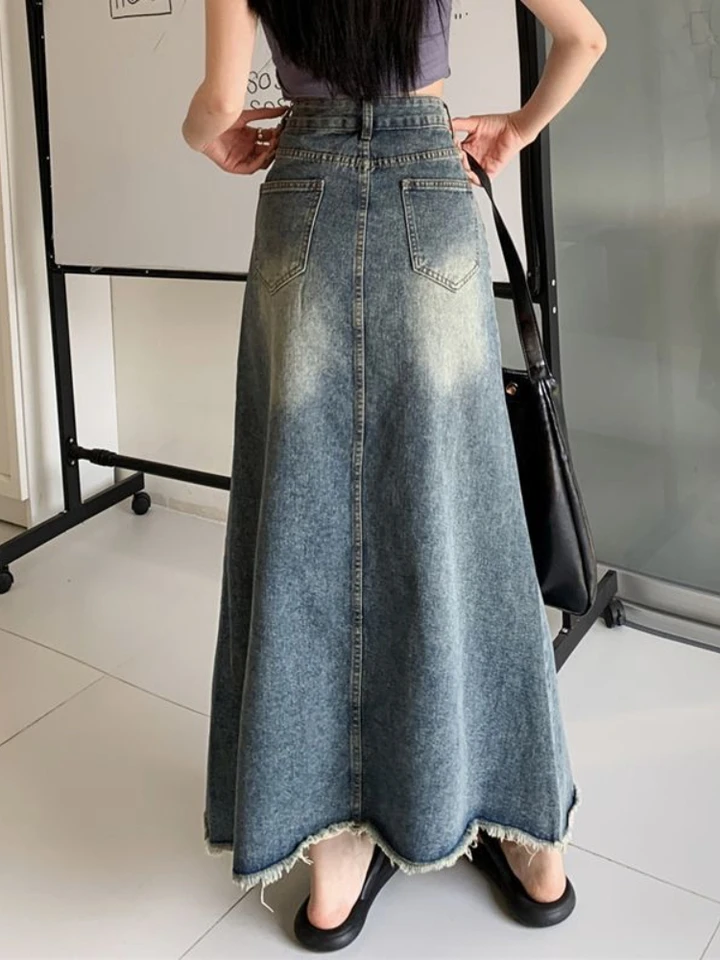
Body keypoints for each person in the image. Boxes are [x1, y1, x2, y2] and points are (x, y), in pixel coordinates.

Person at [182, 0, 606, 951]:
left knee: (305, 522)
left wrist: (207, 136)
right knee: (467, 520)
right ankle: (527, 841)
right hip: (429, 185)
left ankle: (332, 861)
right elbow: (585, 39)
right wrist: (515, 128)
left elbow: (218, 102)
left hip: (304, 194)